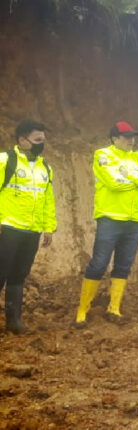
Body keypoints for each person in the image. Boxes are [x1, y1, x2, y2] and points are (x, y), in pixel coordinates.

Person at [74, 122, 138, 326]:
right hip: (110, 218)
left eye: (132, 136)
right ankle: (82, 310)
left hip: (133, 220)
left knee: (124, 265)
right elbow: (112, 182)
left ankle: (114, 308)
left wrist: (128, 175)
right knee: (99, 263)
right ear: (114, 138)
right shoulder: (103, 155)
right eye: (126, 137)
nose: (131, 140)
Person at [0, 120, 56, 334]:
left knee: (19, 275)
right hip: (8, 229)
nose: (42, 144)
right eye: (37, 140)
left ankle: (14, 321)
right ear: (22, 140)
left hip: (32, 231)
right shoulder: (6, 161)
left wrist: (49, 227)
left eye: (43, 140)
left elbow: (47, 199)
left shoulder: (45, 168)